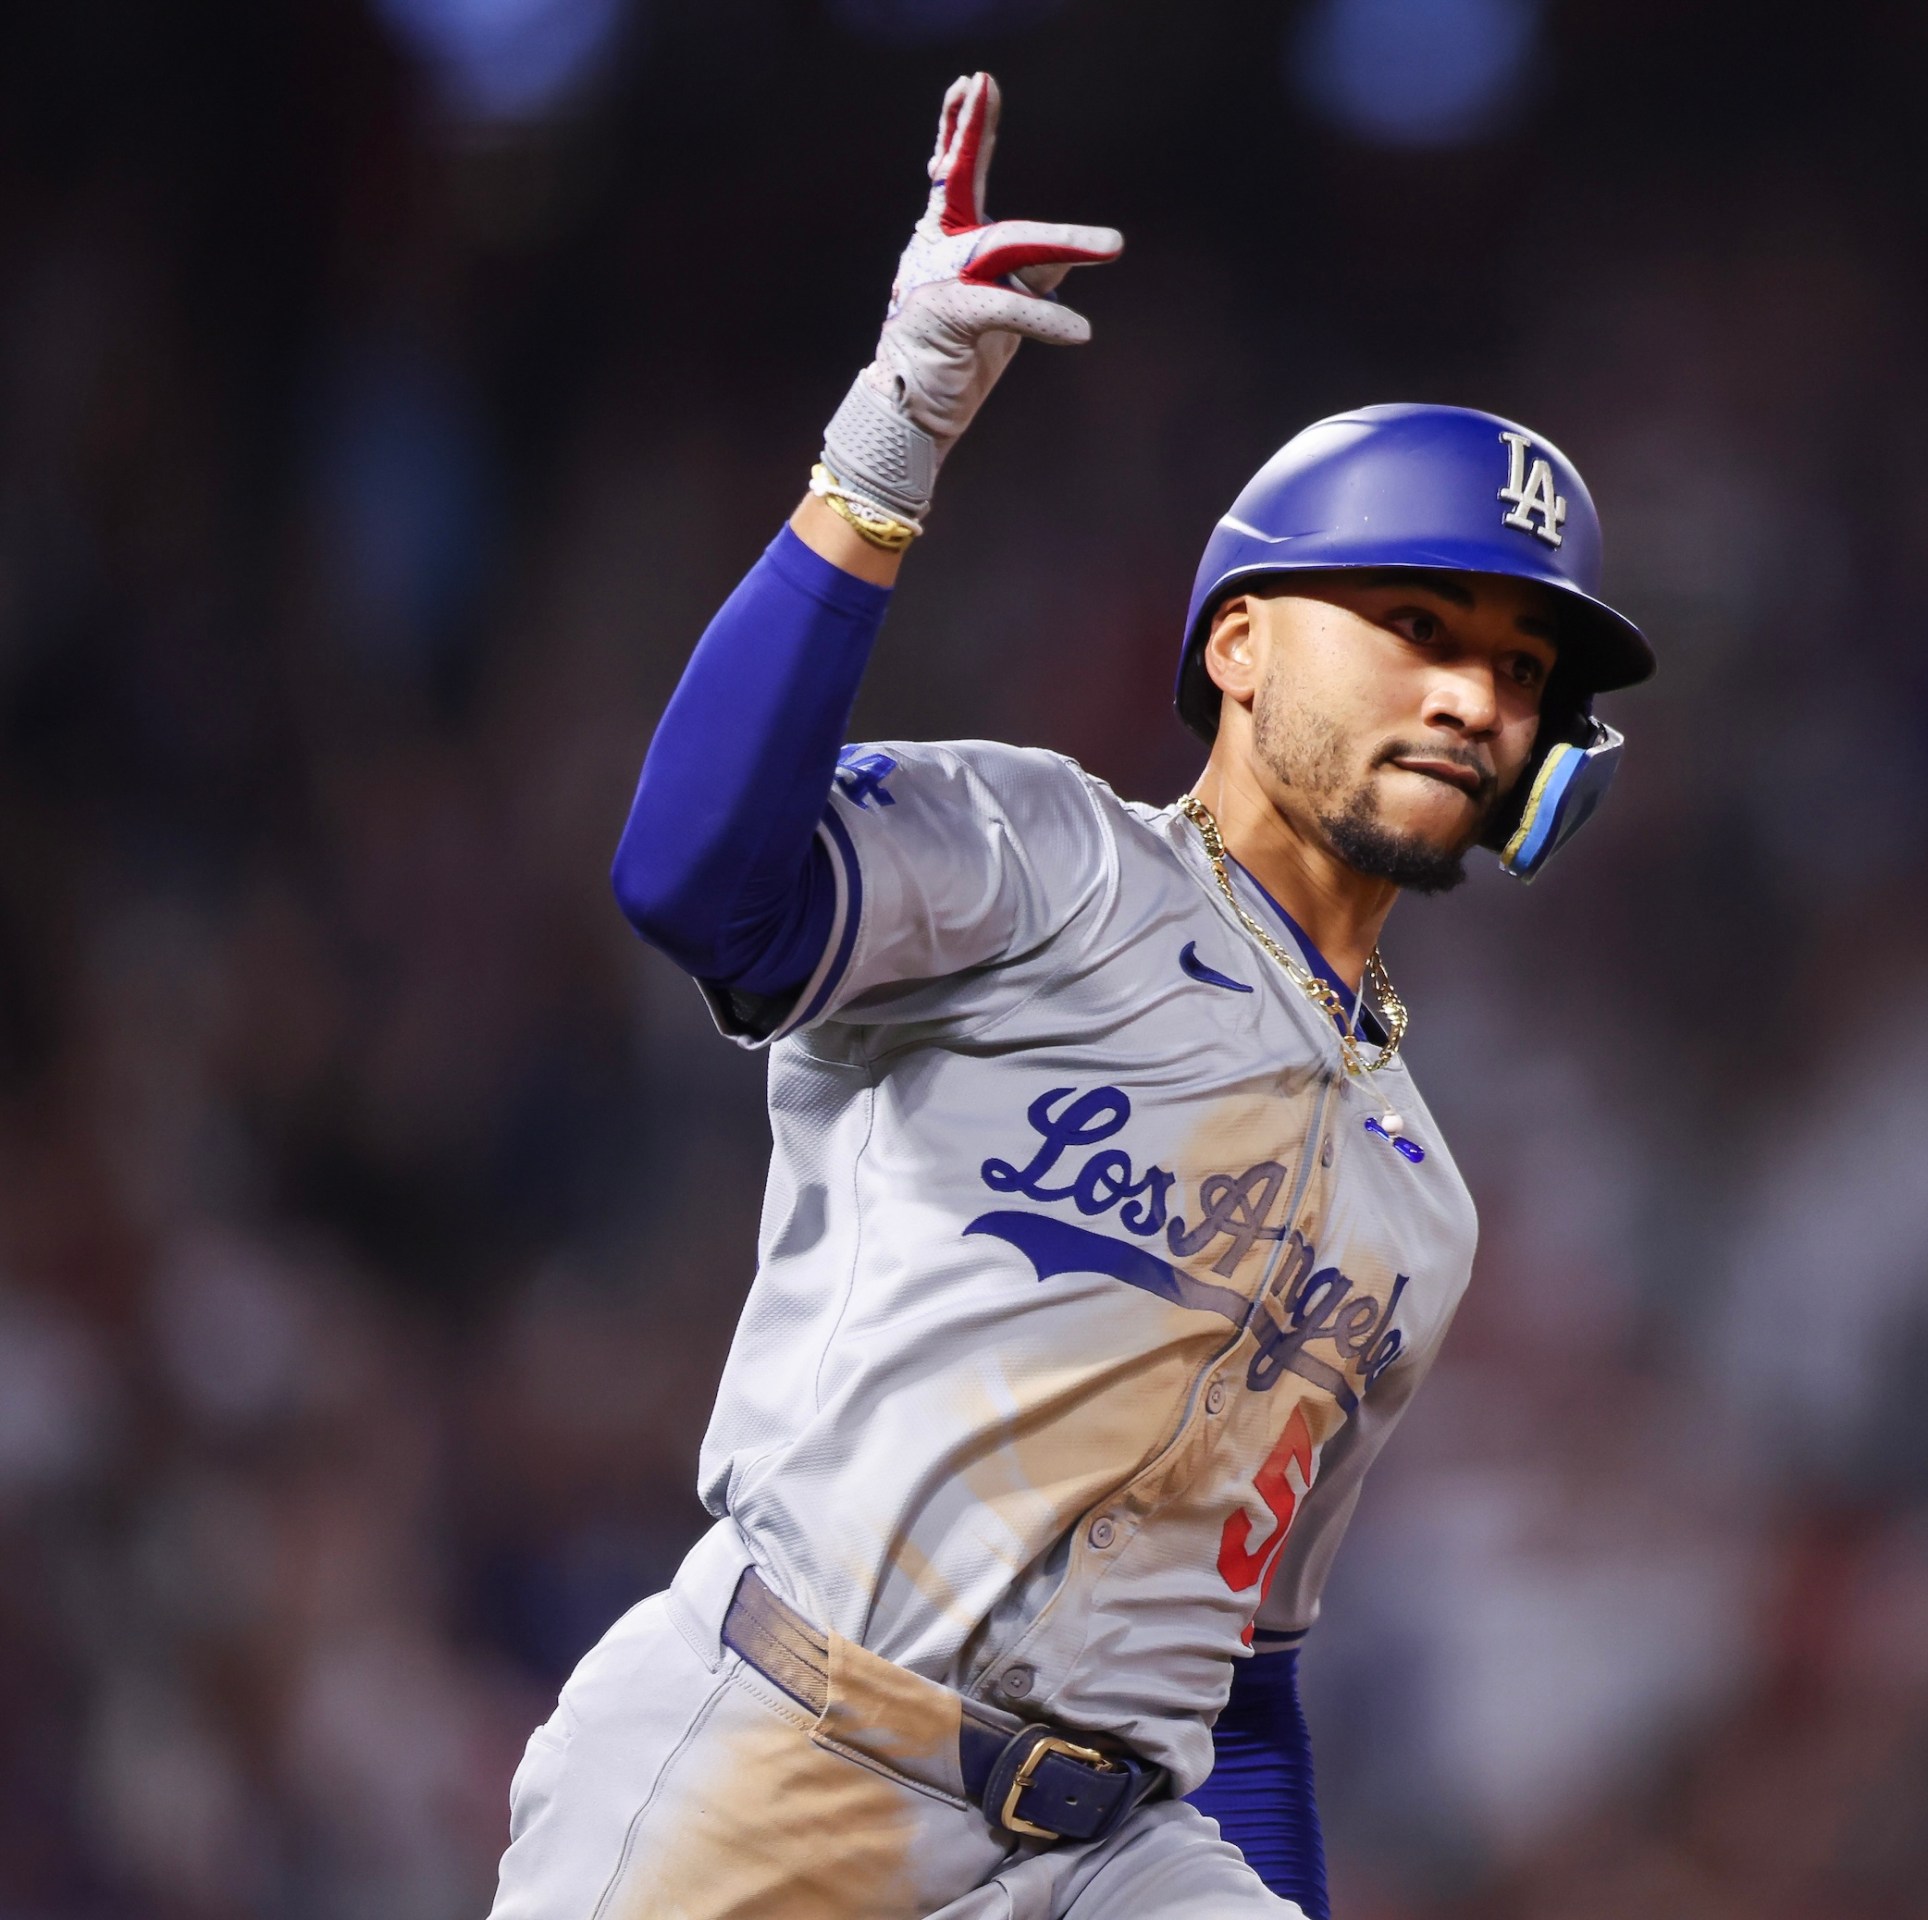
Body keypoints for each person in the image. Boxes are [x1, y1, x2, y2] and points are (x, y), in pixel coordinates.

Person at [485, 71, 1651, 1920]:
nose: (1472, 699)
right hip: (787, 1751)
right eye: (1418, 627)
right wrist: (890, 445)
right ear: (1239, 645)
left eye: (1519, 668)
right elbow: (695, 879)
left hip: (1106, 1852)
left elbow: (1244, 1685)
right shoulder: (1044, 858)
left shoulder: (1424, 1202)